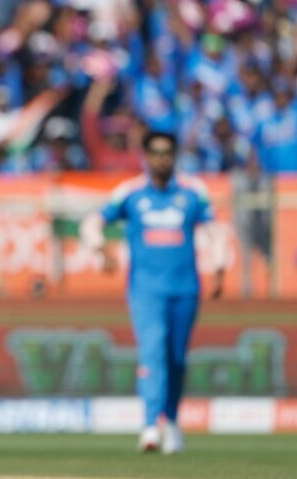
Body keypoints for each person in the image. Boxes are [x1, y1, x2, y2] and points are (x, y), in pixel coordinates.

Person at [80, 131, 226, 455]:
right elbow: (91, 222)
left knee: (176, 359)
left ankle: (170, 422)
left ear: (175, 156)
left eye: (167, 153)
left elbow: (214, 230)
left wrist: (219, 266)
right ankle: (149, 425)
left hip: (185, 288)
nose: (162, 159)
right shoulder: (131, 192)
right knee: (152, 350)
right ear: (145, 157)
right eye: (156, 153)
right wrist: (100, 248)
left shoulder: (192, 191)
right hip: (145, 290)